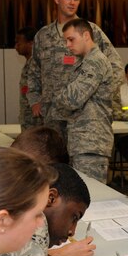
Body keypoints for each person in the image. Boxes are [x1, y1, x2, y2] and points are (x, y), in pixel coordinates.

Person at [26, 0, 122, 143]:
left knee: (81, 164)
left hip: (82, 118)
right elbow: (34, 71)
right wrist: (35, 100)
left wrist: (101, 98)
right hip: (52, 117)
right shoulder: (43, 35)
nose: (72, 2)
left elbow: (115, 66)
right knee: (56, 164)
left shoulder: (90, 31)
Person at [51, 19, 114, 183]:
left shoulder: (95, 61)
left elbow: (72, 99)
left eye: (71, 39)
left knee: (92, 200)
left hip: (92, 143)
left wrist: (59, 97)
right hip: (84, 143)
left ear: (86, 35)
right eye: (65, 40)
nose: (67, 45)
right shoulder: (85, 61)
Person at [16, 27, 43, 130]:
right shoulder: (29, 63)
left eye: (19, 43)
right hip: (28, 118)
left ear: (31, 43)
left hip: (36, 120)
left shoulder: (37, 64)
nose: (16, 46)